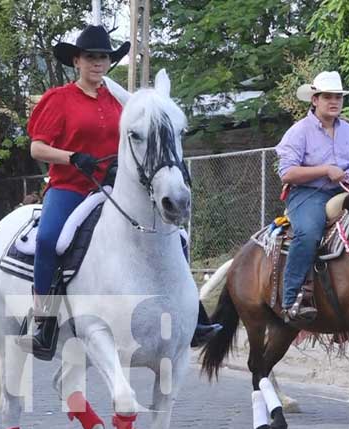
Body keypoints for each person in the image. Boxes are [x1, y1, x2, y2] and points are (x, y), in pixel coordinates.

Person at [24, 24, 220, 357]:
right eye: (90, 57)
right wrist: (72, 157)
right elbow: (37, 148)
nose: (97, 63)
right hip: (70, 187)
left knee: (177, 236)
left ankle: (194, 314)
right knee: (49, 239)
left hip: (115, 187)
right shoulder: (59, 99)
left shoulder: (118, 102)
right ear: (77, 61)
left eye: (103, 58)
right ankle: (44, 318)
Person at [275, 71, 349, 324]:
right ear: (314, 99)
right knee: (308, 233)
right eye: (328, 96)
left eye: (338, 97)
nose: (334, 101)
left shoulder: (348, 130)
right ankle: (291, 298)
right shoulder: (299, 132)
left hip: (345, 190)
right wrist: (325, 170)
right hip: (307, 194)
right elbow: (287, 173)